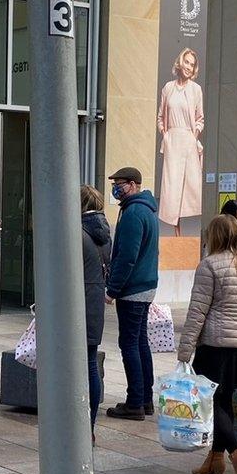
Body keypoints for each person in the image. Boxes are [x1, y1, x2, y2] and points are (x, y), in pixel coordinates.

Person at [178, 215, 237, 474]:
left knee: (214, 402)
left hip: (215, 344)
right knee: (224, 401)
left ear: (213, 236)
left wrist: (185, 350)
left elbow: (198, 311)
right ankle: (215, 460)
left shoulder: (209, 265)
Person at [104, 167, 160, 421]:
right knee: (139, 342)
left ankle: (135, 401)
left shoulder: (134, 212)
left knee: (130, 344)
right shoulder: (145, 209)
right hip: (145, 285)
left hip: (133, 289)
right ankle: (145, 399)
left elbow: (127, 256)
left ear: (134, 184)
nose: (116, 188)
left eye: (121, 183)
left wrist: (112, 289)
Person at [157, 47, 205, 236]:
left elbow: (200, 118)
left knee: (189, 186)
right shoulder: (168, 88)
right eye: (187, 62)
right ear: (180, 62)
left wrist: (194, 136)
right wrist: (165, 134)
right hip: (172, 140)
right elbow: (160, 116)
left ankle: (183, 234)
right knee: (171, 184)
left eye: (192, 64)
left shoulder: (196, 89)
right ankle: (173, 230)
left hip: (188, 139)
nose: (189, 67)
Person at [80, 185, 111, 437]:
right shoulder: (104, 234)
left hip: (77, 306)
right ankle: (88, 425)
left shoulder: (77, 233)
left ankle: (78, 426)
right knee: (90, 364)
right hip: (94, 306)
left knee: (74, 367)